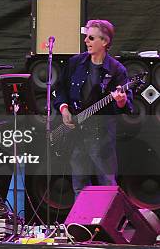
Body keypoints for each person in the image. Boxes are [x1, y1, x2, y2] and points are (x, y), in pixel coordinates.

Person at [54, 19, 132, 198]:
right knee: (79, 185)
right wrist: (65, 110)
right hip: (77, 133)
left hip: (102, 134)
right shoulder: (75, 63)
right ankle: (82, 225)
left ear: (104, 42)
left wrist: (120, 100)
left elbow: (127, 107)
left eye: (91, 38)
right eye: (86, 37)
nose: (86, 41)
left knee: (108, 185)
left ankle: (108, 223)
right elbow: (60, 90)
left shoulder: (116, 70)